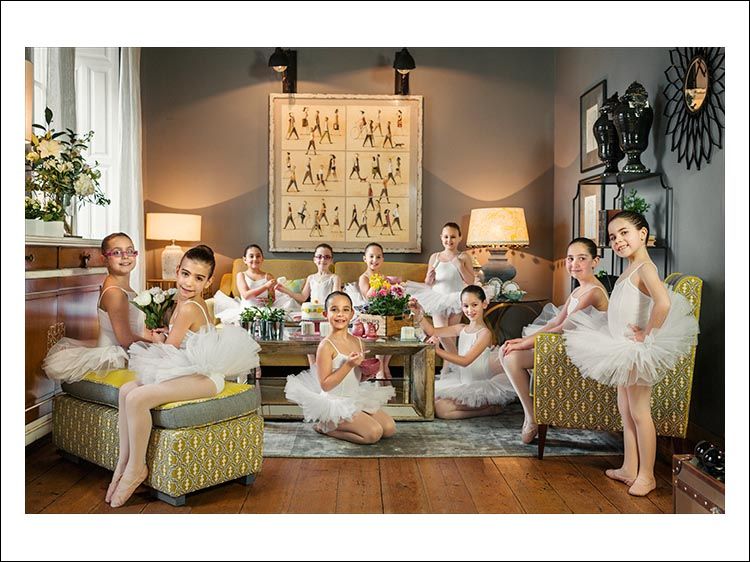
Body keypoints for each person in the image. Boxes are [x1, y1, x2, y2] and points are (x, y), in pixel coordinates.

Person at [111, 245, 260, 508]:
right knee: (125, 391)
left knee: (137, 399)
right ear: (177, 270)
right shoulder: (179, 302)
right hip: (185, 368)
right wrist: (162, 334)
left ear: (208, 282)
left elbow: (168, 349)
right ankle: (123, 462)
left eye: (199, 278)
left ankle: (136, 467)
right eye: (186, 274)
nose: (189, 283)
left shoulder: (191, 306)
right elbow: (176, 342)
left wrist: (158, 339)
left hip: (204, 376)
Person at [564, 212, 699, 496]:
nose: (618, 241)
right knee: (625, 411)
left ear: (642, 234)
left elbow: (663, 303)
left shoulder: (645, 268)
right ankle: (629, 467)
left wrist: (647, 334)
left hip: (636, 350)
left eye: (624, 232)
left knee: (639, 412)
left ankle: (647, 475)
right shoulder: (630, 269)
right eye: (613, 237)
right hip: (620, 346)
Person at [499, 237, 609, 444]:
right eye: (570, 258)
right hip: (565, 342)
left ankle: (532, 417)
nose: (574, 264)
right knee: (505, 351)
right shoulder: (578, 290)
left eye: (582, 258)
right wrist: (521, 340)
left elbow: (561, 329)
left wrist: (524, 344)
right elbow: (555, 322)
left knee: (512, 357)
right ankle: (532, 412)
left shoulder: (593, 292)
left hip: (581, 352)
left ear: (595, 261)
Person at [284, 292, 396, 444]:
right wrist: (348, 365)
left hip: (354, 397)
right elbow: (325, 385)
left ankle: (356, 421)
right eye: (334, 309)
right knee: (373, 434)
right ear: (325, 314)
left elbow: (355, 378)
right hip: (335, 403)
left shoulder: (358, 342)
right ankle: (326, 427)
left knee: (389, 428)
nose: (340, 314)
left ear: (352, 314)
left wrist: (366, 374)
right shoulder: (326, 346)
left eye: (345, 309)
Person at [42, 232, 154, 383]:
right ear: (104, 259)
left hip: (125, 351)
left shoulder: (121, 287)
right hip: (115, 357)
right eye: (117, 252)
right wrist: (157, 345)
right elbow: (125, 340)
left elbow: (136, 329)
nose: (125, 256)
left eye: (129, 251)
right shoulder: (115, 293)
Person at [410, 286, 516, 419]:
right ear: (461, 306)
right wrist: (418, 313)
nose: (470, 310)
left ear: (484, 304)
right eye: (466, 306)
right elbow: (432, 331)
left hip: (478, 387)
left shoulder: (485, 334)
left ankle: (490, 409)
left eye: (474, 305)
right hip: (462, 382)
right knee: (429, 400)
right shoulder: (461, 328)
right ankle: (485, 407)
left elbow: (465, 361)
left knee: (441, 409)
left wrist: (436, 350)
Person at [405, 222, 474, 373]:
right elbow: (428, 283)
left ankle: (447, 370)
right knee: (441, 334)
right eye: (446, 237)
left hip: (456, 298)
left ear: (460, 237)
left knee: (451, 335)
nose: (449, 240)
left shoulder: (463, 257)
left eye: (453, 237)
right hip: (437, 298)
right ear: (441, 237)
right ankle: (460, 364)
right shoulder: (435, 257)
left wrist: (460, 266)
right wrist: (429, 278)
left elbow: (471, 281)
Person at [275, 244, 342, 366]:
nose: (322, 260)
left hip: (326, 315)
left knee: (326, 339)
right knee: (307, 334)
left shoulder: (334, 277)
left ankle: (325, 366)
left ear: (331, 260)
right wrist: (285, 290)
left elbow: (335, 298)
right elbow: (302, 297)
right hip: (312, 315)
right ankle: (313, 367)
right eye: (319, 257)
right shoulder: (311, 278)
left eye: (327, 257)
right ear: (314, 259)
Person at [213, 244, 297, 324]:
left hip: (264, 311)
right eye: (251, 256)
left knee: (276, 316)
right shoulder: (241, 275)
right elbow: (246, 295)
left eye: (258, 256)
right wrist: (265, 286)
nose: (255, 259)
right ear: (245, 260)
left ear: (262, 259)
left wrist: (269, 301)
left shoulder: (268, 276)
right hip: (247, 311)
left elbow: (272, 298)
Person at [343, 243, 392, 379]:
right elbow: (368, 297)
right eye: (371, 256)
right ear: (365, 258)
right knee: (380, 330)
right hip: (368, 312)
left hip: (382, 310)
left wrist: (389, 286)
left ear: (382, 259)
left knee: (392, 327)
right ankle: (380, 369)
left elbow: (387, 296)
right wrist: (377, 283)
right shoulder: (364, 277)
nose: (374, 260)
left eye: (378, 257)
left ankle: (384, 365)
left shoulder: (383, 277)